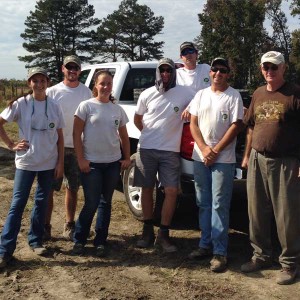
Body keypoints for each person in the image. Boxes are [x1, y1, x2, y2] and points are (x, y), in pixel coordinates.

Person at [240, 51, 300, 285]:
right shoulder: (257, 93)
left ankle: (290, 264)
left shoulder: (294, 93)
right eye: (266, 67)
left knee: (286, 215)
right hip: (257, 158)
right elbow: (251, 127)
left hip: (286, 162)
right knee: (256, 211)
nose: (269, 71)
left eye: (274, 67)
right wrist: (246, 157)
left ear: (283, 68)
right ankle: (261, 256)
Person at [0, 67, 64, 268]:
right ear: (29, 83)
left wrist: (60, 162)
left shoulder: (54, 105)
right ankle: (4, 250)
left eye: (42, 80)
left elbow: (60, 137)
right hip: (26, 162)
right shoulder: (21, 104)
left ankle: (36, 240)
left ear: (48, 82)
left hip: (48, 162)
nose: (39, 84)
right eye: (35, 81)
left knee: (42, 202)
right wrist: (11, 144)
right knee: (17, 204)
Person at [188, 58, 244, 272]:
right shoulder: (200, 94)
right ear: (209, 72)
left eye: (223, 70)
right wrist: (203, 148)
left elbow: (236, 126)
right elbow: (193, 123)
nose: (218, 73)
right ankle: (204, 245)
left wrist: (215, 150)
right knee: (203, 202)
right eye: (215, 70)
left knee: (219, 204)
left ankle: (220, 252)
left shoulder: (234, 96)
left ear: (228, 74)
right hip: (200, 157)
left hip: (223, 159)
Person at [134, 58, 194, 253]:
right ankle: (147, 231)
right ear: (158, 73)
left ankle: (164, 234)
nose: (166, 74)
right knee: (146, 189)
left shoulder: (184, 92)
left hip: (170, 151)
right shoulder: (147, 94)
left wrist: (189, 109)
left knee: (171, 191)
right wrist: (148, 134)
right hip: (146, 149)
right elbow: (137, 118)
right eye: (163, 71)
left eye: (169, 70)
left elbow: (202, 101)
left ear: (174, 73)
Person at [72, 70, 131, 257]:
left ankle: (100, 241)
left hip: (112, 163)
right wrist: (81, 159)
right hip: (92, 164)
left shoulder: (117, 109)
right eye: (102, 83)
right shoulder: (86, 106)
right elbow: (76, 135)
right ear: (95, 86)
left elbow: (124, 136)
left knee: (106, 203)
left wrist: (127, 157)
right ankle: (79, 239)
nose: (106, 87)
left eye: (109, 84)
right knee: (91, 202)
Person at [45, 55, 92, 240]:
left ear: (80, 71)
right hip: (54, 148)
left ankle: (69, 224)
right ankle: (45, 226)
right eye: (69, 67)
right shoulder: (52, 91)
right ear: (63, 69)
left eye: (76, 67)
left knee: (72, 188)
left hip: (75, 147)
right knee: (48, 188)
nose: (72, 70)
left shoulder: (86, 92)